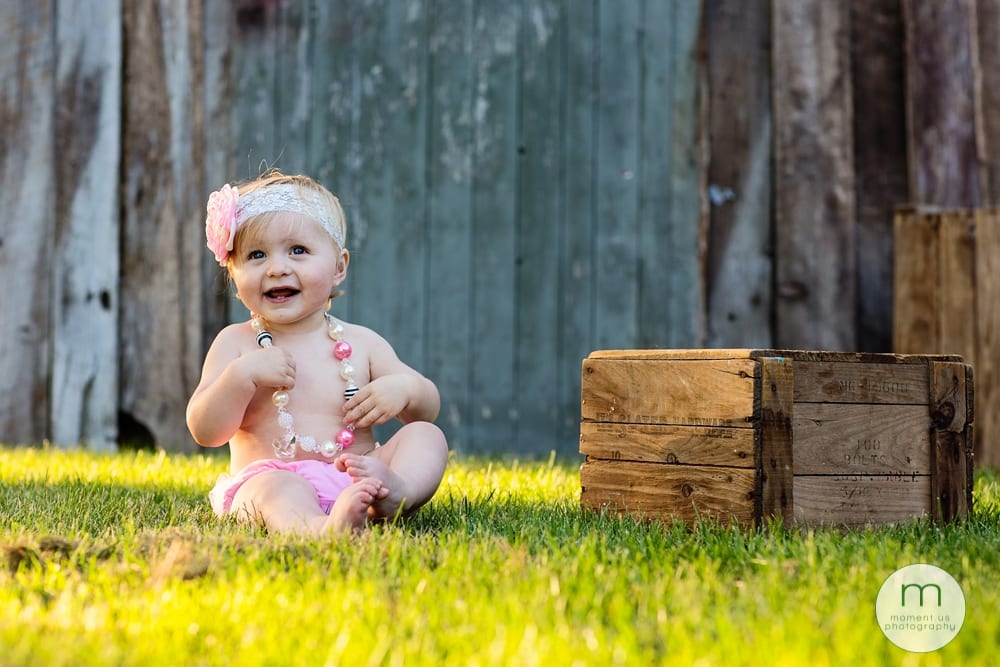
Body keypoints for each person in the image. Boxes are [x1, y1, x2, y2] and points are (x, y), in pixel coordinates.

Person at [187, 172, 448, 535]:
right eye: (256, 255)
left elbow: (428, 408)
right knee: (277, 489)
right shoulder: (236, 344)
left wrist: (403, 390)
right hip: (272, 478)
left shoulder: (362, 343)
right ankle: (317, 528)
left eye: (298, 250)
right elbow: (205, 430)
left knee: (425, 436)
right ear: (234, 271)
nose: (277, 267)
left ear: (339, 267)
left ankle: (396, 492)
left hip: (359, 472)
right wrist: (241, 377)